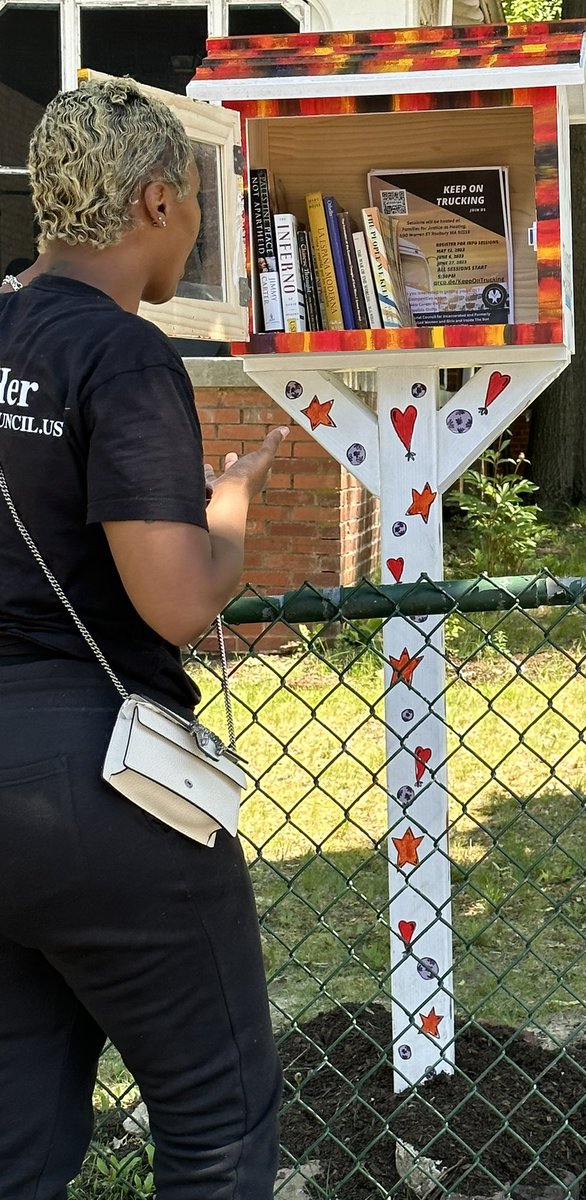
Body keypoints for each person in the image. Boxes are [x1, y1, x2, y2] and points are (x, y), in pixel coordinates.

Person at [0, 79, 287, 1197]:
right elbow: (173, 601)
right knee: (217, 1120)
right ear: (158, 201)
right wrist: (232, 512)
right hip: (93, 778)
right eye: (199, 202)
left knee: (16, 1142)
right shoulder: (121, 354)